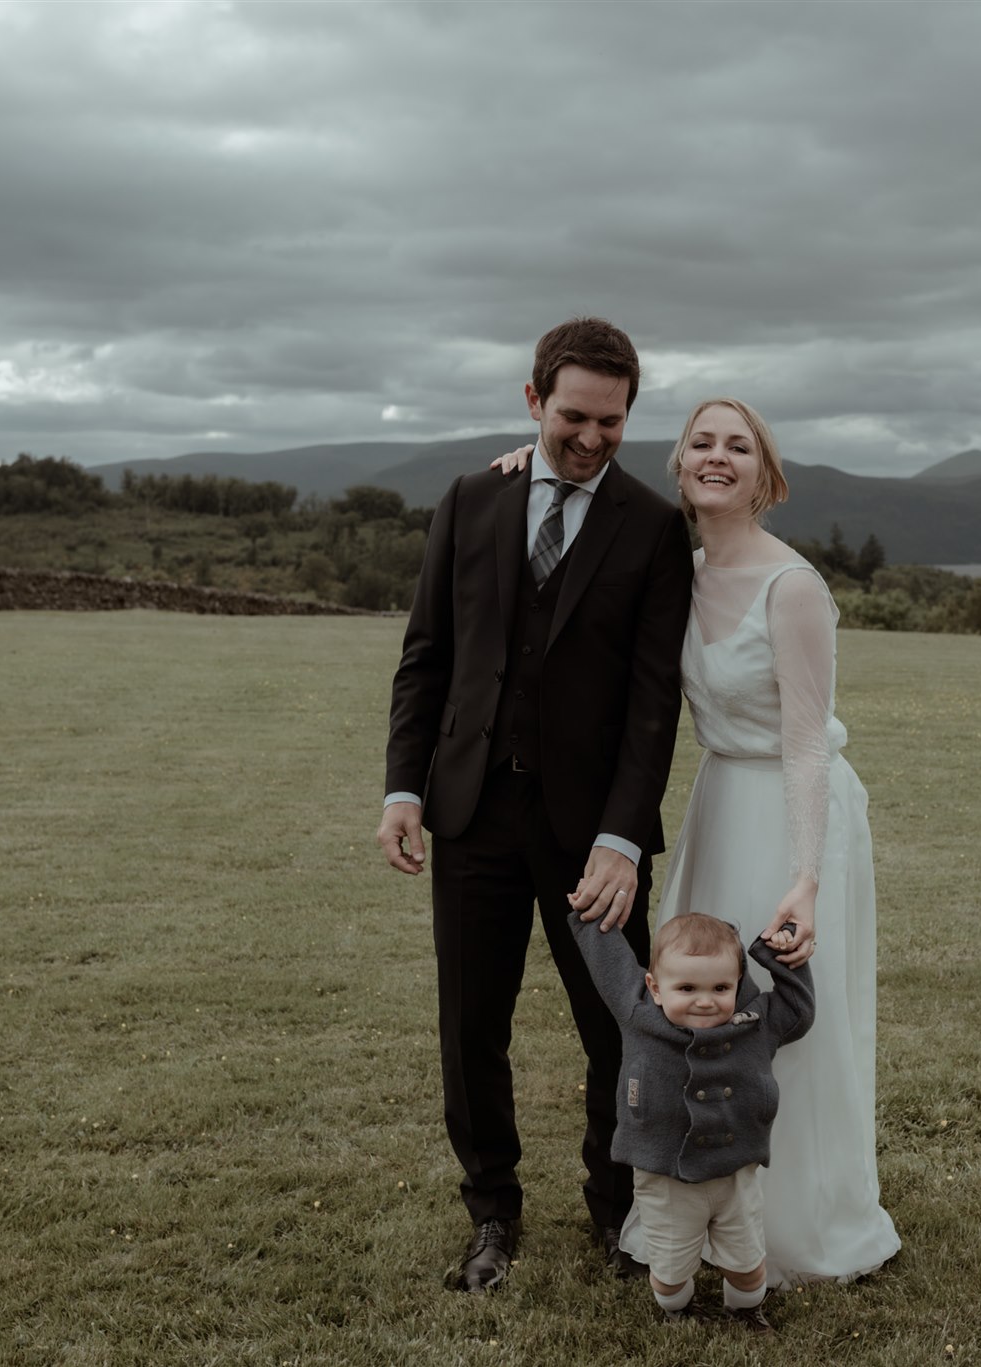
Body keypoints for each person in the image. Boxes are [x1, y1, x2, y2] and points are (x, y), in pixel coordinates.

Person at [493, 397, 901, 1286]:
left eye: (739, 446)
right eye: (702, 442)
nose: (718, 456)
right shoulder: (673, 567)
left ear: (766, 474)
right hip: (721, 801)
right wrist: (521, 470)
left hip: (798, 813)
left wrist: (805, 876)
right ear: (676, 465)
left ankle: (793, 1222)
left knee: (781, 1015)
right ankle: (698, 1205)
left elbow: (803, 741)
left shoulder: (792, 587)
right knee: (698, 1009)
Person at [378, 316, 694, 1293]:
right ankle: (492, 1214)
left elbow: (652, 701)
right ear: (532, 402)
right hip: (468, 811)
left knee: (618, 1029)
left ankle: (614, 1209)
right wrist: (401, 784)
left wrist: (619, 840)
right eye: (572, 417)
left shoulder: (650, 527)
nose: (591, 437)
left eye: (610, 420)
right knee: (471, 1027)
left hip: (589, 836)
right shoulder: (472, 500)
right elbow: (427, 654)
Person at [566, 908, 813, 1332]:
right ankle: (678, 1308)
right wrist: (590, 916)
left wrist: (780, 958)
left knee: (748, 1265)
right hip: (666, 1180)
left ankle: (746, 1309)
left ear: (738, 984)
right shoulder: (638, 1015)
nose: (704, 1000)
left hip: (736, 1174)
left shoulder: (755, 1023)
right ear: (655, 988)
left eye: (720, 987)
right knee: (670, 1270)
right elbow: (610, 964)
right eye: (686, 987)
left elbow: (799, 1010)